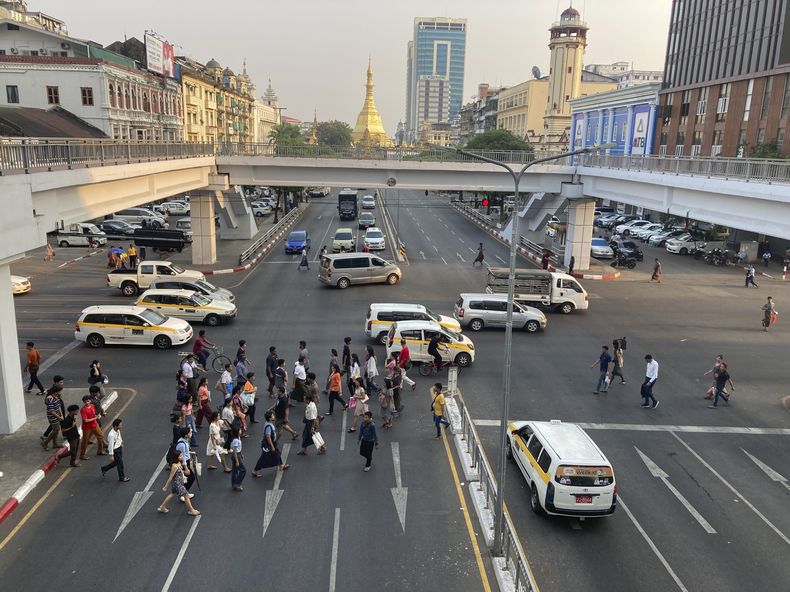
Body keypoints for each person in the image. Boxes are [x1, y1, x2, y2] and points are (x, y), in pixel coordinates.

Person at [157, 450, 200, 516]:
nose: (182, 456)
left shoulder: (179, 463)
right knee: (186, 495)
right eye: (180, 456)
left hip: (179, 482)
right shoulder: (174, 466)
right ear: (176, 457)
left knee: (173, 494)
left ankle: (162, 506)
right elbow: (170, 477)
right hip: (177, 484)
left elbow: (180, 472)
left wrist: (184, 475)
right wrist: (166, 486)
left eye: (181, 455)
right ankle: (191, 510)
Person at [252, 410, 289, 476]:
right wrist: (272, 446)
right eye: (272, 416)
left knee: (277, 453)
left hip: (271, 443)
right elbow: (268, 437)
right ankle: (255, 470)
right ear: (270, 418)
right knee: (264, 457)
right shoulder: (268, 426)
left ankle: (281, 465)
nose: (274, 416)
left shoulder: (269, 423)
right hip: (268, 445)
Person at [79, 395, 105, 460]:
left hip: (94, 425)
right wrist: (95, 418)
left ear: (90, 401)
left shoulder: (92, 406)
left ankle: (100, 451)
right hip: (87, 427)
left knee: (101, 436)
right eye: (85, 402)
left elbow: (94, 414)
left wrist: (97, 416)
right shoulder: (83, 410)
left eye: (88, 401)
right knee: (85, 441)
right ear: (83, 402)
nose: (87, 403)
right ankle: (82, 455)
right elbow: (85, 420)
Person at [41, 375, 65, 443]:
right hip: (55, 409)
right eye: (61, 382)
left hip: (59, 406)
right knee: (57, 424)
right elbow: (46, 401)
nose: (62, 384)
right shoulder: (52, 391)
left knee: (57, 423)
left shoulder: (58, 388)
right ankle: (46, 439)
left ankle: (46, 436)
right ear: (56, 383)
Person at [174, 427, 197, 495]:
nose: (191, 434)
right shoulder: (182, 444)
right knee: (191, 478)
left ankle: (184, 493)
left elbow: (185, 452)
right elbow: (182, 457)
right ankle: (183, 493)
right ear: (186, 435)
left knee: (185, 479)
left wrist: (191, 453)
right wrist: (186, 468)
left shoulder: (184, 441)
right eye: (190, 433)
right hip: (184, 463)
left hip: (186, 462)